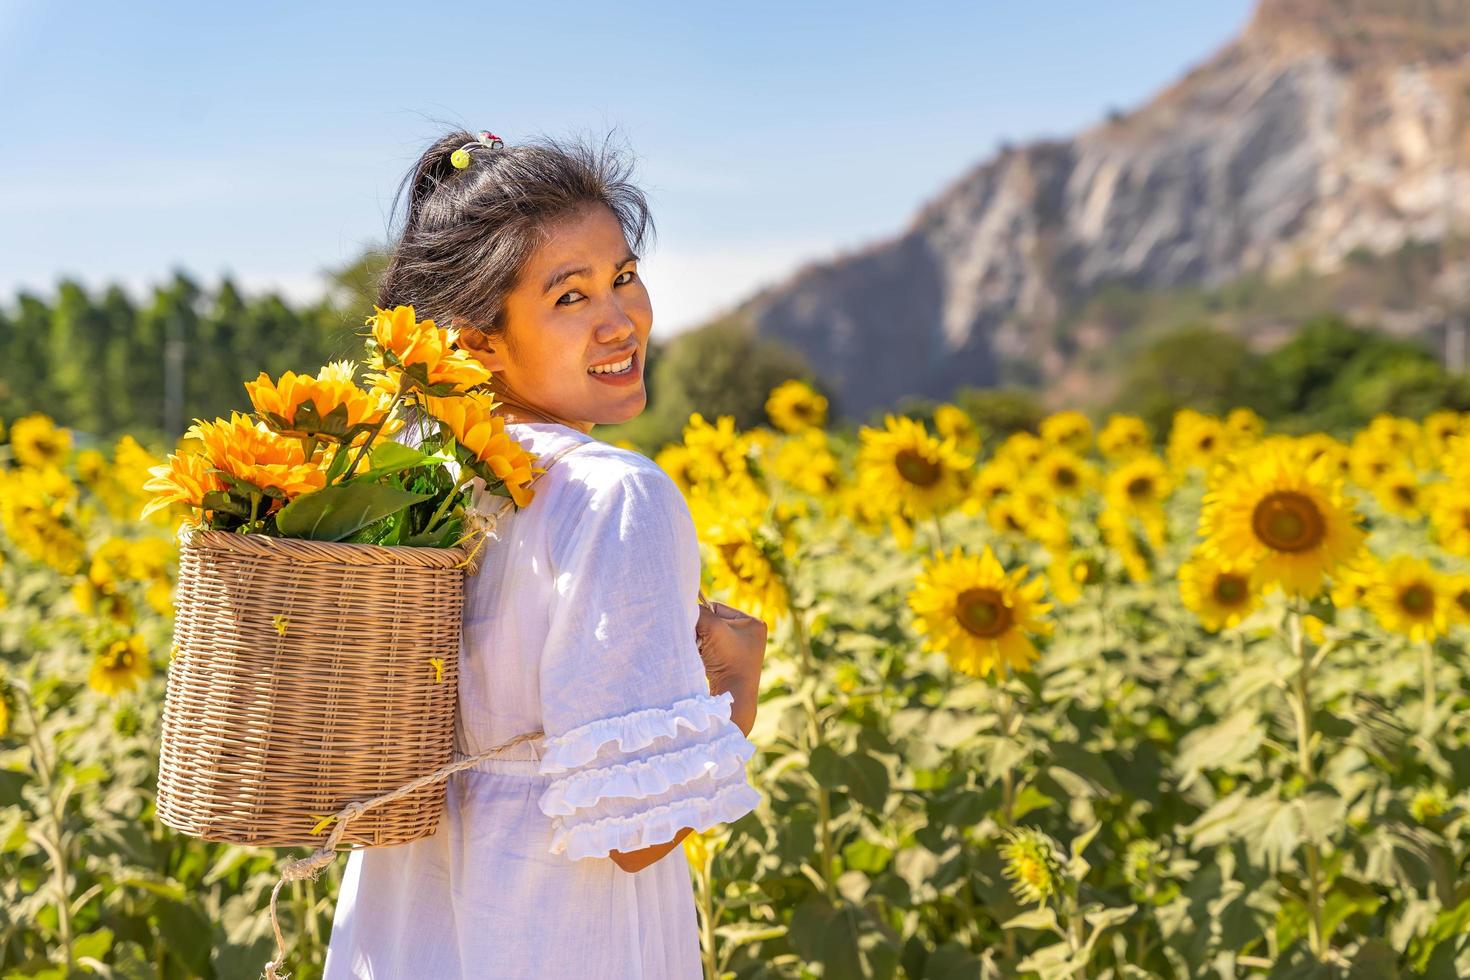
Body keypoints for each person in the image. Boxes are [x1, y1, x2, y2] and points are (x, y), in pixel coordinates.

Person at [321, 130, 767, 979]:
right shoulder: (612, 495)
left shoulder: (404, 483)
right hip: (555, 941)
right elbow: (635, 841)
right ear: (476, 341)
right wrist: (738, 683)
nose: (621, 320)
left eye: (624, 278)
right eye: (570, 297)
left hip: (401, 941)